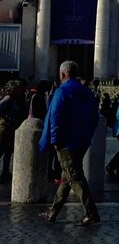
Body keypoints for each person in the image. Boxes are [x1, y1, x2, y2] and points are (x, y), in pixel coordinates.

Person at [38, 61, 101, 225]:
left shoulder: (62, 91)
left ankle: (91, 213)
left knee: (75, 177)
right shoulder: (87, 91)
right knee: (67, 176)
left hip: (65, 142)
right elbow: (95, 117)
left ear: (62, 74)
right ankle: (53, 212)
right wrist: (88, 134)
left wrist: (54, 140)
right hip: (82, 140)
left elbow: (55, 116)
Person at [0, 80, 28, 177]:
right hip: (5, 128)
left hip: (11, 129)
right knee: (1, 150)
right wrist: (6, 118)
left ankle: (5, 172)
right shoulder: (8, 98)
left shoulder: (17, 99)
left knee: (8, 151)